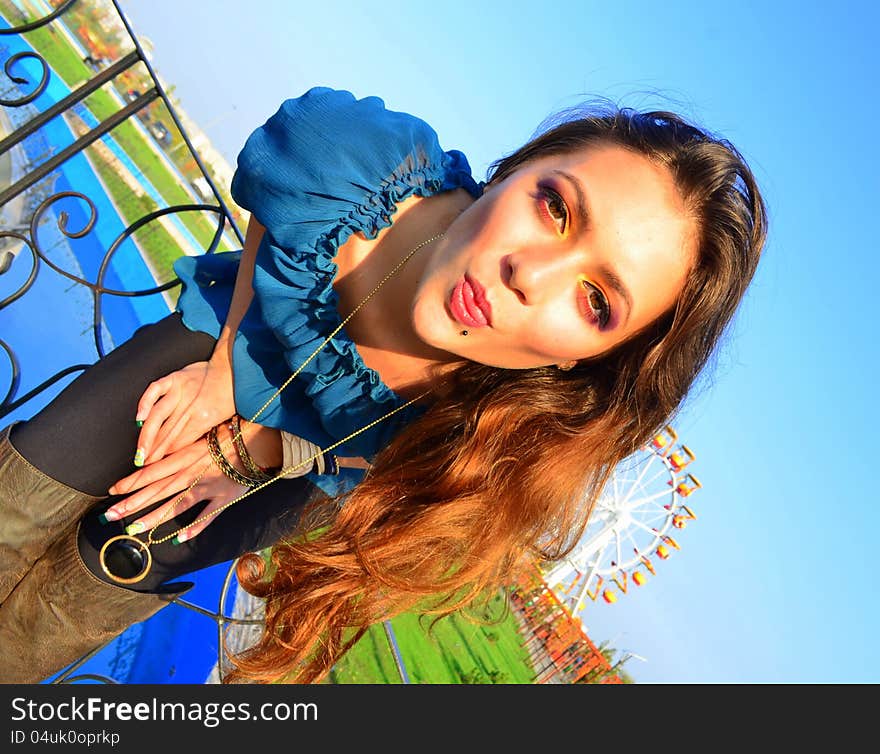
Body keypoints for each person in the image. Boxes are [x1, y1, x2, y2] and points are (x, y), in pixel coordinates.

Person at [0, 86, 766, 684]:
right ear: (516, 171)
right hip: (204, 360)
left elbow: (397, 477)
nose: (527, 275)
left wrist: (259, 455)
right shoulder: (369, 165)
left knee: (94, 588)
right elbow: (276, 192)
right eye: (555, 207)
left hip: (293, 474)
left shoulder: (499, 429)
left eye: (597, 301)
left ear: (589, 360)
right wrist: (227, 360)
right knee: (21, 500)